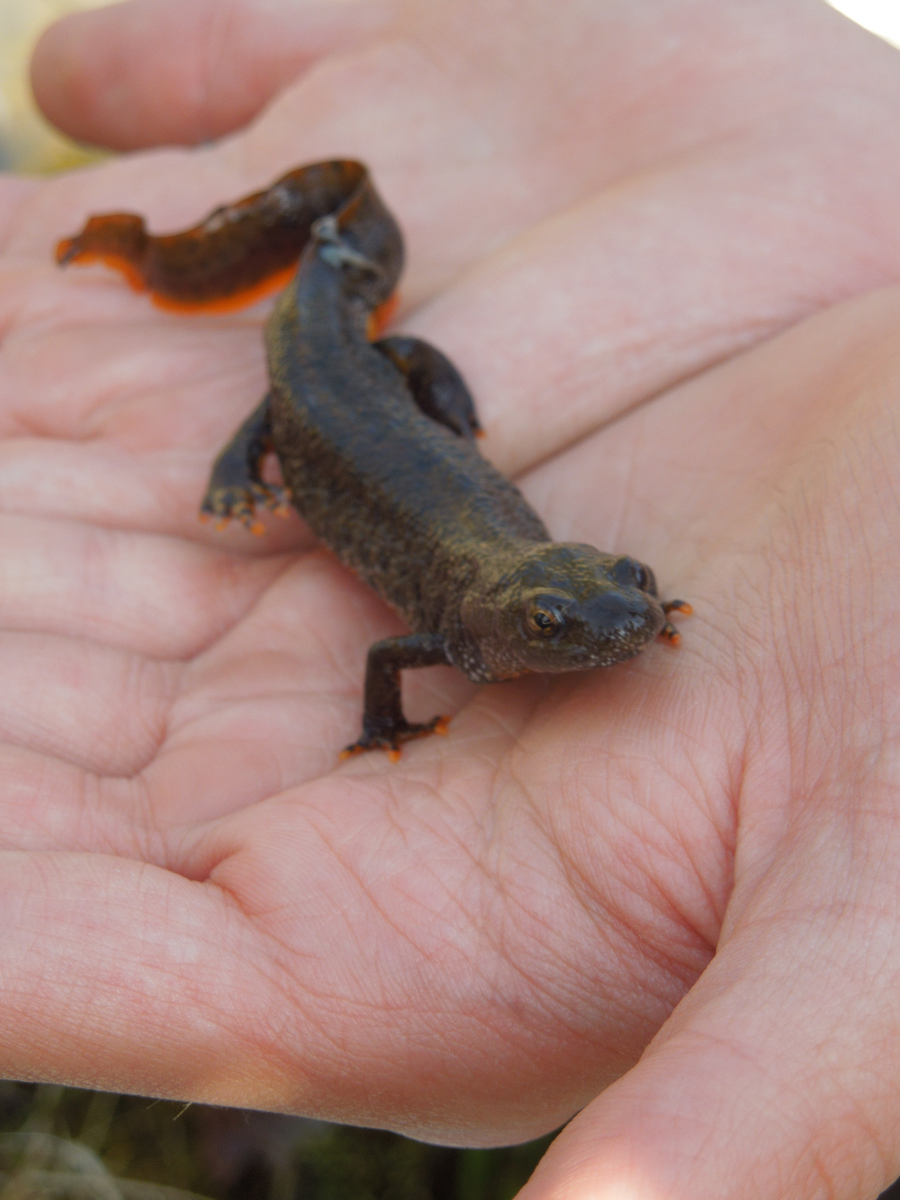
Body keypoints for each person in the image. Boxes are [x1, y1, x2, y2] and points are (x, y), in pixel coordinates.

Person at [5, 0, 900, 1195]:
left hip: (376, 390)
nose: (608, 627)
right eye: (561, 628)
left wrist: (642, 599)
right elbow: (387, 654)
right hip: (322, 392)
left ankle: (320, 309)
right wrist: (248, 478)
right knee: (329, 382)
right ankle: (182, 279)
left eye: (610, 602)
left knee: (385, 374)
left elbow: (599, 589)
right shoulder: (459, 636)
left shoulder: (562, 599)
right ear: (503, 633)